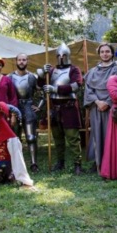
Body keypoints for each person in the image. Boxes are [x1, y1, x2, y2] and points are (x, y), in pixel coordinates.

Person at [38, 43, 83, 175]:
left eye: (64, 55)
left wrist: (55, 89)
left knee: (73, 138)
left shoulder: (74, 70)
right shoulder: (51, 70)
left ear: (68, 56)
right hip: (54, 108)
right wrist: (42, 74)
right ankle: (60, 162)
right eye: (59, 55)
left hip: (69, 107)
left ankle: (77, 164)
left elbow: (75, 86)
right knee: (57, 138)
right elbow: (41, 85)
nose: (61, 57)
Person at [83, 43, 117, 172]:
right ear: (99, 54)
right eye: (102, 51)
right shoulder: (92, 72)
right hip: (96, 107)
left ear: (112, 53)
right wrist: (98, 102)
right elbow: (88, 90)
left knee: (111, 135)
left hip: (113, 107)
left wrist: (108, 102)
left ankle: (111, 162)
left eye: (107, 51)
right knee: (97, 133)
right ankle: (98, 161)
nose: (105, 54)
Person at [8, 53, 43, 173]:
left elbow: (43, 91)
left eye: (24, 60)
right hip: (14, 107)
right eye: (20, 60)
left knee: (31, 137)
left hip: (28, 106)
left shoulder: (32, 77)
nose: (22, 62)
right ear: (16, 61)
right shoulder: (9, 77)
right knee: (15, 138)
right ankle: (16, 163)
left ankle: (34, 163)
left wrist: (39, 106)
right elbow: (7, 94)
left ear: (27, 61)